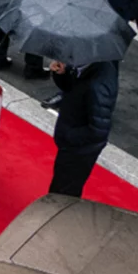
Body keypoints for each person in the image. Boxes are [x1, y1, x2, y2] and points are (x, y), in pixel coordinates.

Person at [49, 58, 118, 198]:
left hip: (79, 149)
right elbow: (70, 89)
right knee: (61, 187)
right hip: (73, 141)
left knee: (63, 193)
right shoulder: (85, 66)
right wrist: (61, 74)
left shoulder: (99, 84)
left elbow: (99, 131)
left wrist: (68, 135)